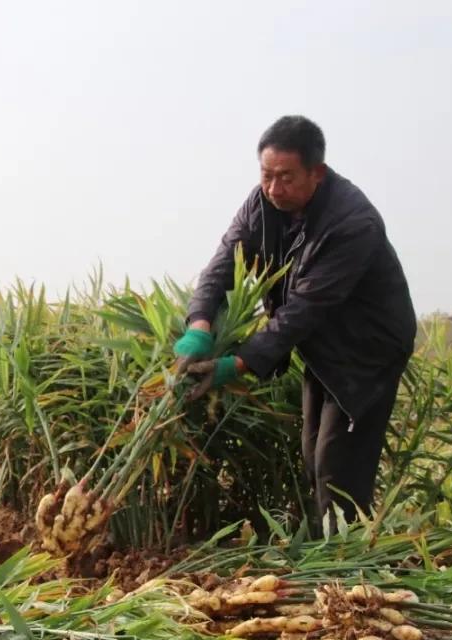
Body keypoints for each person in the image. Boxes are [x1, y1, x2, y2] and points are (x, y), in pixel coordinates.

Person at [174, 115, 416, 530]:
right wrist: (198, 325)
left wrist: (238, 365)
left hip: (366, 351)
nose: (273, 188)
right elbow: (222, 264)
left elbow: (305, 308)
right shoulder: (262, 204)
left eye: (285, 178)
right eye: (266, 175)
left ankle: (351, 569)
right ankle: (332, 552)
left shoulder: (351, 223)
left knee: (337, 466)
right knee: (312, 454)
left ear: (316, 173)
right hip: (321, 345)